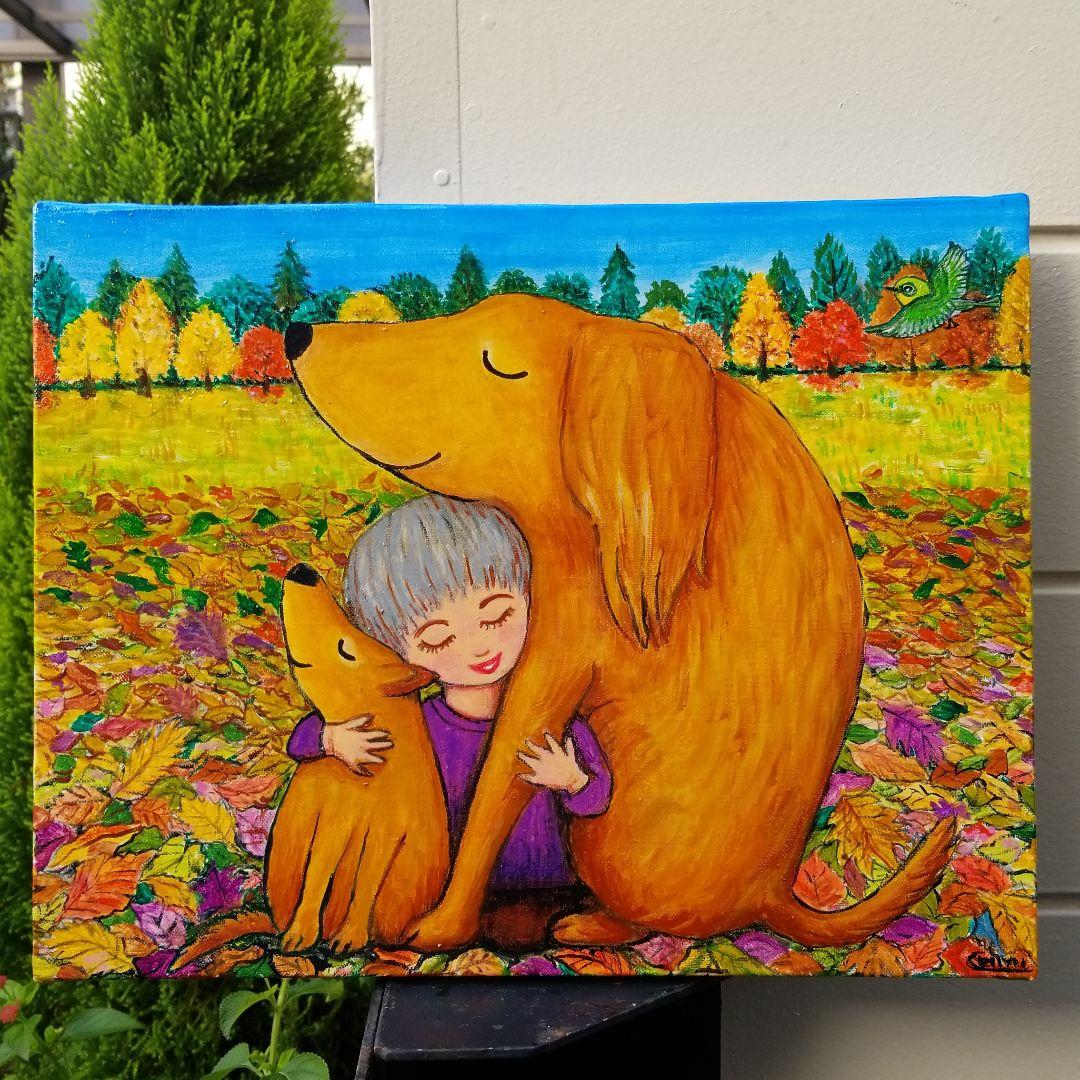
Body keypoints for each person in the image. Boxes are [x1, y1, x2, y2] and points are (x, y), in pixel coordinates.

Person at [286, 494, 611, 949]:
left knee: (529, 926)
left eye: (498, 616)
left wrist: (572, 780)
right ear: (395, 654)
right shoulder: (418, 724)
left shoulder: (551, 717)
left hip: (548, 885)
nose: (479, 647)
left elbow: (598, 797)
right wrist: (329, 738)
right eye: (438, 640)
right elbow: (301, 742)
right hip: (443, 892)